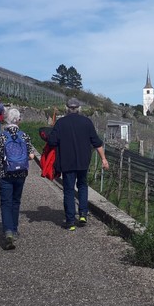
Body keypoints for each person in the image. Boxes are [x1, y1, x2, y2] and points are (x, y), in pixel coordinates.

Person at [46, 97, 109, 230]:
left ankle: (70, 222)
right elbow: (97, 143)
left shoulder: (61, 123)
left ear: (67, 108)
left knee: (68, 190)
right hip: (83, 162)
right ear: (79, 108)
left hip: (67, 161)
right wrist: (103, 159)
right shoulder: (87, 122)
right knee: (82, 186)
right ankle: (82, 214)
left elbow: (52, 141)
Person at [0, 107, 37, 250]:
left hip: (4, 173)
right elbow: (31, 156)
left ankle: (8, 231)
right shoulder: (25, 136)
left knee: (6, 203)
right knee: (16, 201)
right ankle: (15, 229)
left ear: (6, 119)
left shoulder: (1, 136)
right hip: (20, 174)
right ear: (18, 120)